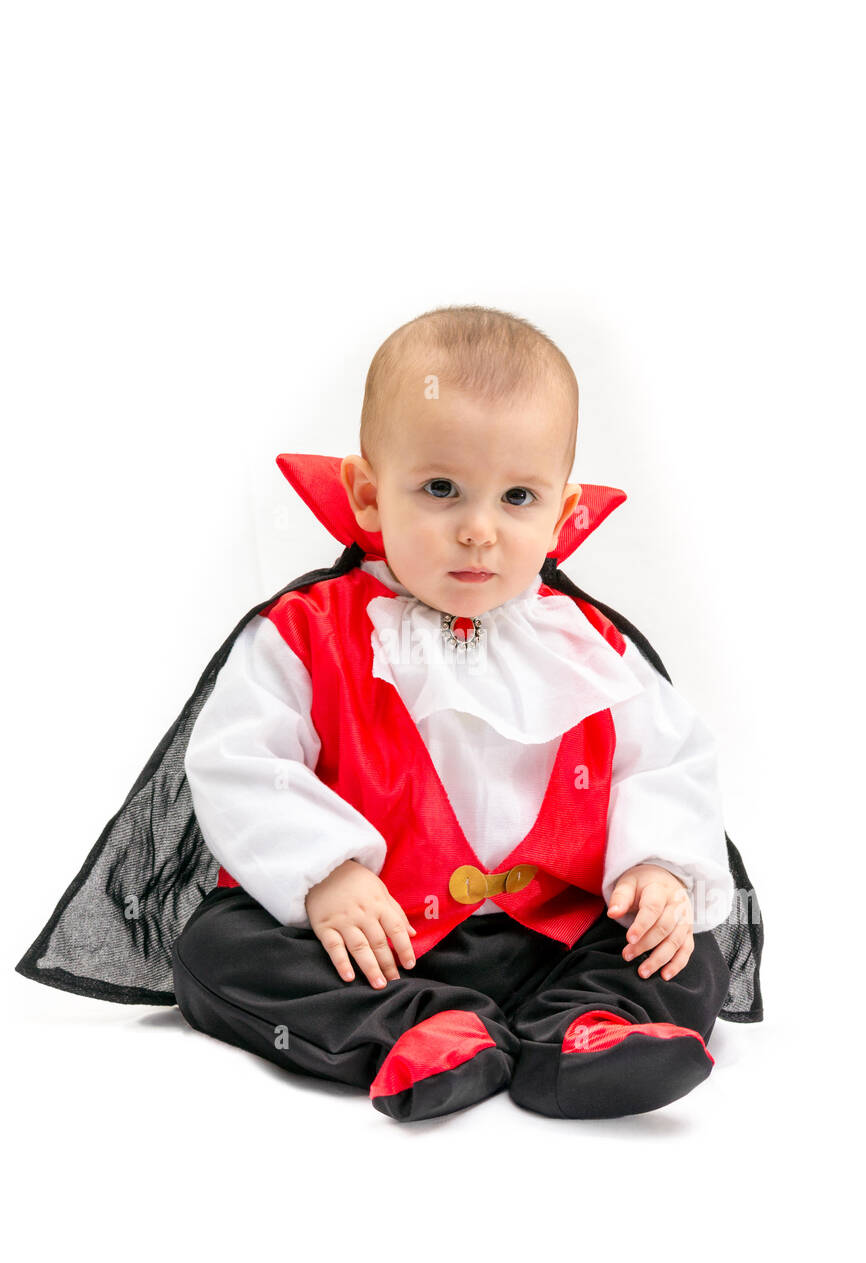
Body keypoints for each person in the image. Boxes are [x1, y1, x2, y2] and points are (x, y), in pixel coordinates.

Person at [170, 304, 739, 1122]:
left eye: (517, 497)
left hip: (552, 939)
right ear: (369, 495)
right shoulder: (307, 633)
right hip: (376, 940)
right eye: (440, 489)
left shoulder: (592, 647)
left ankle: (586, 1029)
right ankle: (425, 1031)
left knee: (686, 949)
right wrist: (324, 872)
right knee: (215, 949)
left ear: (560, 513)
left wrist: (656, 867)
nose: (478, 530)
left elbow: (667, 759)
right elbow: (237, 762)